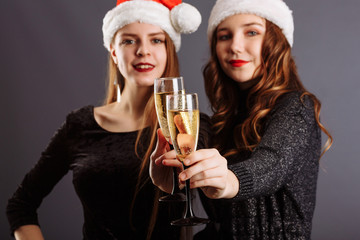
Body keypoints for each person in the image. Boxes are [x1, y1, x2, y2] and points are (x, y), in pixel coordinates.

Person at [6, 0, 202, 239]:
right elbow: (21, 205)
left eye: (156, 39)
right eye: (129, 40)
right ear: (114, 52)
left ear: (168, 49)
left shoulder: (191, 128)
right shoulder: (80, 125)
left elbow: (223, 217)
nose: (143, 50)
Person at [150, 0, 333, 239]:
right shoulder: (212, 124)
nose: (235, 46)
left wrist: (230, 181)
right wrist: (175, 181)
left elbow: (271, 164)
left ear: (277, 41)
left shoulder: (297, 108)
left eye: (252, 32)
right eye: (224, 36)